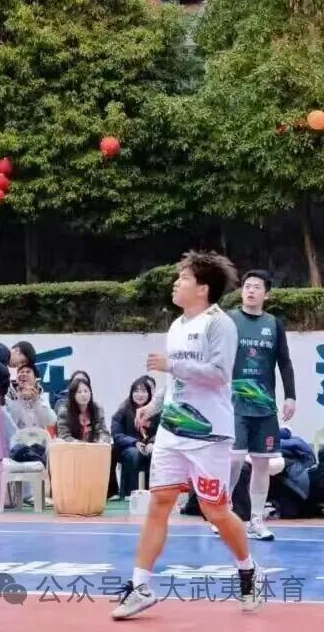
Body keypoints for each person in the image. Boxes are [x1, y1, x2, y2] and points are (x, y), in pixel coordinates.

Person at [112, 252, 263, 620]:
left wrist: (171, 364)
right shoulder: (177, 326)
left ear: (202, 288)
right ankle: (140, 585)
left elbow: (219, 373)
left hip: (209, 433)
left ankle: (248, 569)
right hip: (172, 431)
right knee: (159, 502)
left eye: (183, 278)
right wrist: (154, 406)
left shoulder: (220, 324)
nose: (176, 284)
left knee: (215, 510)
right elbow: (177, 380)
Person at [222, 270, 296, 541]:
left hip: (264, 406)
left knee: (262, 463)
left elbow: (284, 361)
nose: (251, 290)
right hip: (234, 403)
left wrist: (290, 395)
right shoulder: (229, 320)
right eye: (247, 286)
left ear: (267, 294)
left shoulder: (274, 324)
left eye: (256, 287)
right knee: (234, 460)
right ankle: (223, 513)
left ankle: (256, 520)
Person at [111, 376, 160, 497]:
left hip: (148, 446)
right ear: (131, 393)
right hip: (128, 447)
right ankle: (129, 494)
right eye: (136, 391)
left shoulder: (156, 411)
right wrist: (134, 442)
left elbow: (160, 431)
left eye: (143, 391)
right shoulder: (123, 410)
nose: (140, 394)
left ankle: (153, 494)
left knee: (156, 453)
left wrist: (152, 442)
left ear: (149, 394)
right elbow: (116, 434)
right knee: (134, 454)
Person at [56, 378, 111, 443]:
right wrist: (81, 445)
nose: (83, 395)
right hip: (73, 447)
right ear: (73, 395)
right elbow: (64, 436)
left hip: (94, 447)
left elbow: (104, 432)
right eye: (79, 392)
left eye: (86, 391)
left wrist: (102, 440)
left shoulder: (97, 409)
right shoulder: (64, 412)